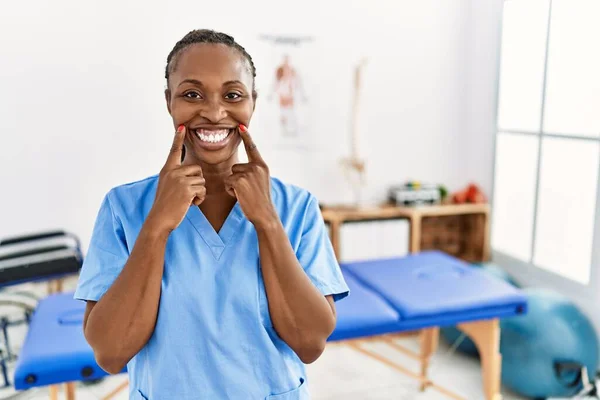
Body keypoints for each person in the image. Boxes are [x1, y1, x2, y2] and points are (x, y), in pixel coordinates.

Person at [74, 29, 349, 400]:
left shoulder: (296, 207)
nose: (215, 112)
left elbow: (310, 343)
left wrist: (267, 221)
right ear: (169, 101)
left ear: (253, 102)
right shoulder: (124, 208)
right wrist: (157, 225)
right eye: (191, 94)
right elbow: (110, 352)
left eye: (233, 95)